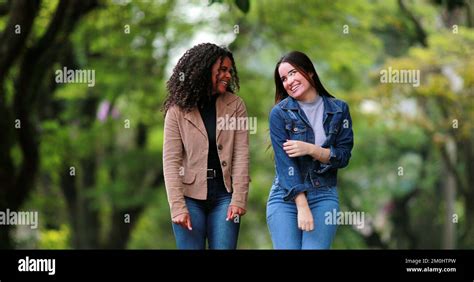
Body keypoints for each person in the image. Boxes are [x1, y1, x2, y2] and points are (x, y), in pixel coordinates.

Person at [162, 43, 250, 249]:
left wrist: (239, 198)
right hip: (189, 198)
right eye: (222, 70)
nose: (227, 75)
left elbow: (241, 154)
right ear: (203, 70)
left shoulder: (236, 105)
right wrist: (177, 207)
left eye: (229, 71)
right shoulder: (177, 111)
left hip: (224, 197)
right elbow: (171, 161)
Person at [267, 51, 354, 249]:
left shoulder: (340, 110)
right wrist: (302, 205)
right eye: (283, 79)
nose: (289, 81)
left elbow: (343, 157)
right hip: (285, 197)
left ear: (309, 72)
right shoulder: (279, 114)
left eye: (293, 73)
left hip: (324, 194)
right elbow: (284, 164)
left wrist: (311, 149)